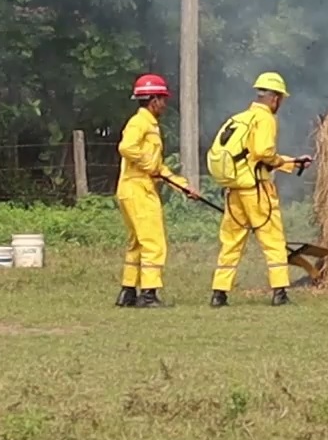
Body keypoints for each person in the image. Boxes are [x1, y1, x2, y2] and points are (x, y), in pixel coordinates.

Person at [206, 72, 311, 308]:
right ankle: (280, 293)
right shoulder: (265, 119)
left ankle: (219, 293)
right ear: (274, 98)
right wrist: (279, 161)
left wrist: (292, 162)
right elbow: (263, 153)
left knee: (231, 242)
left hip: (234, 190)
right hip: (256, 190)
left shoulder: (241, 118)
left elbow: (250, 156)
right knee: (273, 240)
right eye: (280, 98)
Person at [115, 74, 203, 308]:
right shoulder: (141, 122)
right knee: (154, 242)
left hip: (133, 187)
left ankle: (128, 293)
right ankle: (149, 295)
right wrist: (148, 165)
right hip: (138, 189)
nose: (165, 103)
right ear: (153, 100)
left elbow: (159, 168)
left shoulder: (149, 124)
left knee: (137, 243)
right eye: (162, 99)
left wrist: (184, 187)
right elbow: (126, 148)